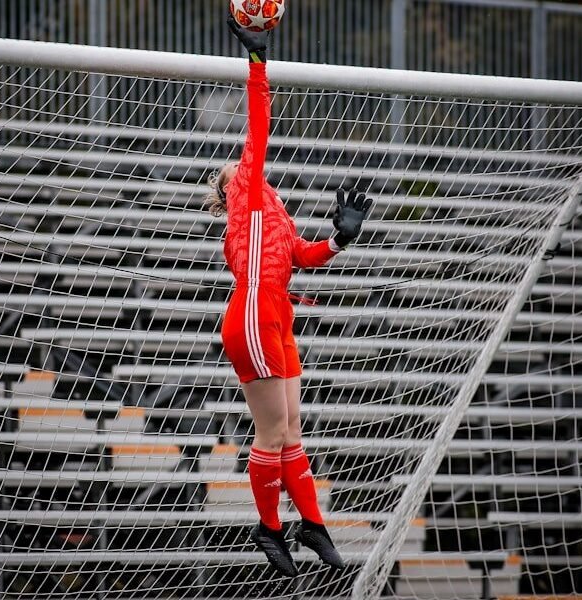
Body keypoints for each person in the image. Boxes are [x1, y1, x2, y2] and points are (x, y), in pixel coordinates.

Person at [205, 18, 372, 578]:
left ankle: (311, 523)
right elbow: (258, 128)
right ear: (230, 189)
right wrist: (257, 61)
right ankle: (270, 528)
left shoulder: (270, 211)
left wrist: (339, 240)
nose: (239, 169)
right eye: (230, 175)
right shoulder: (246, 198)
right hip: (253, 313)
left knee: (292, 431)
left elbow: (302, 254)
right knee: (273, 432)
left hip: (277, 315)